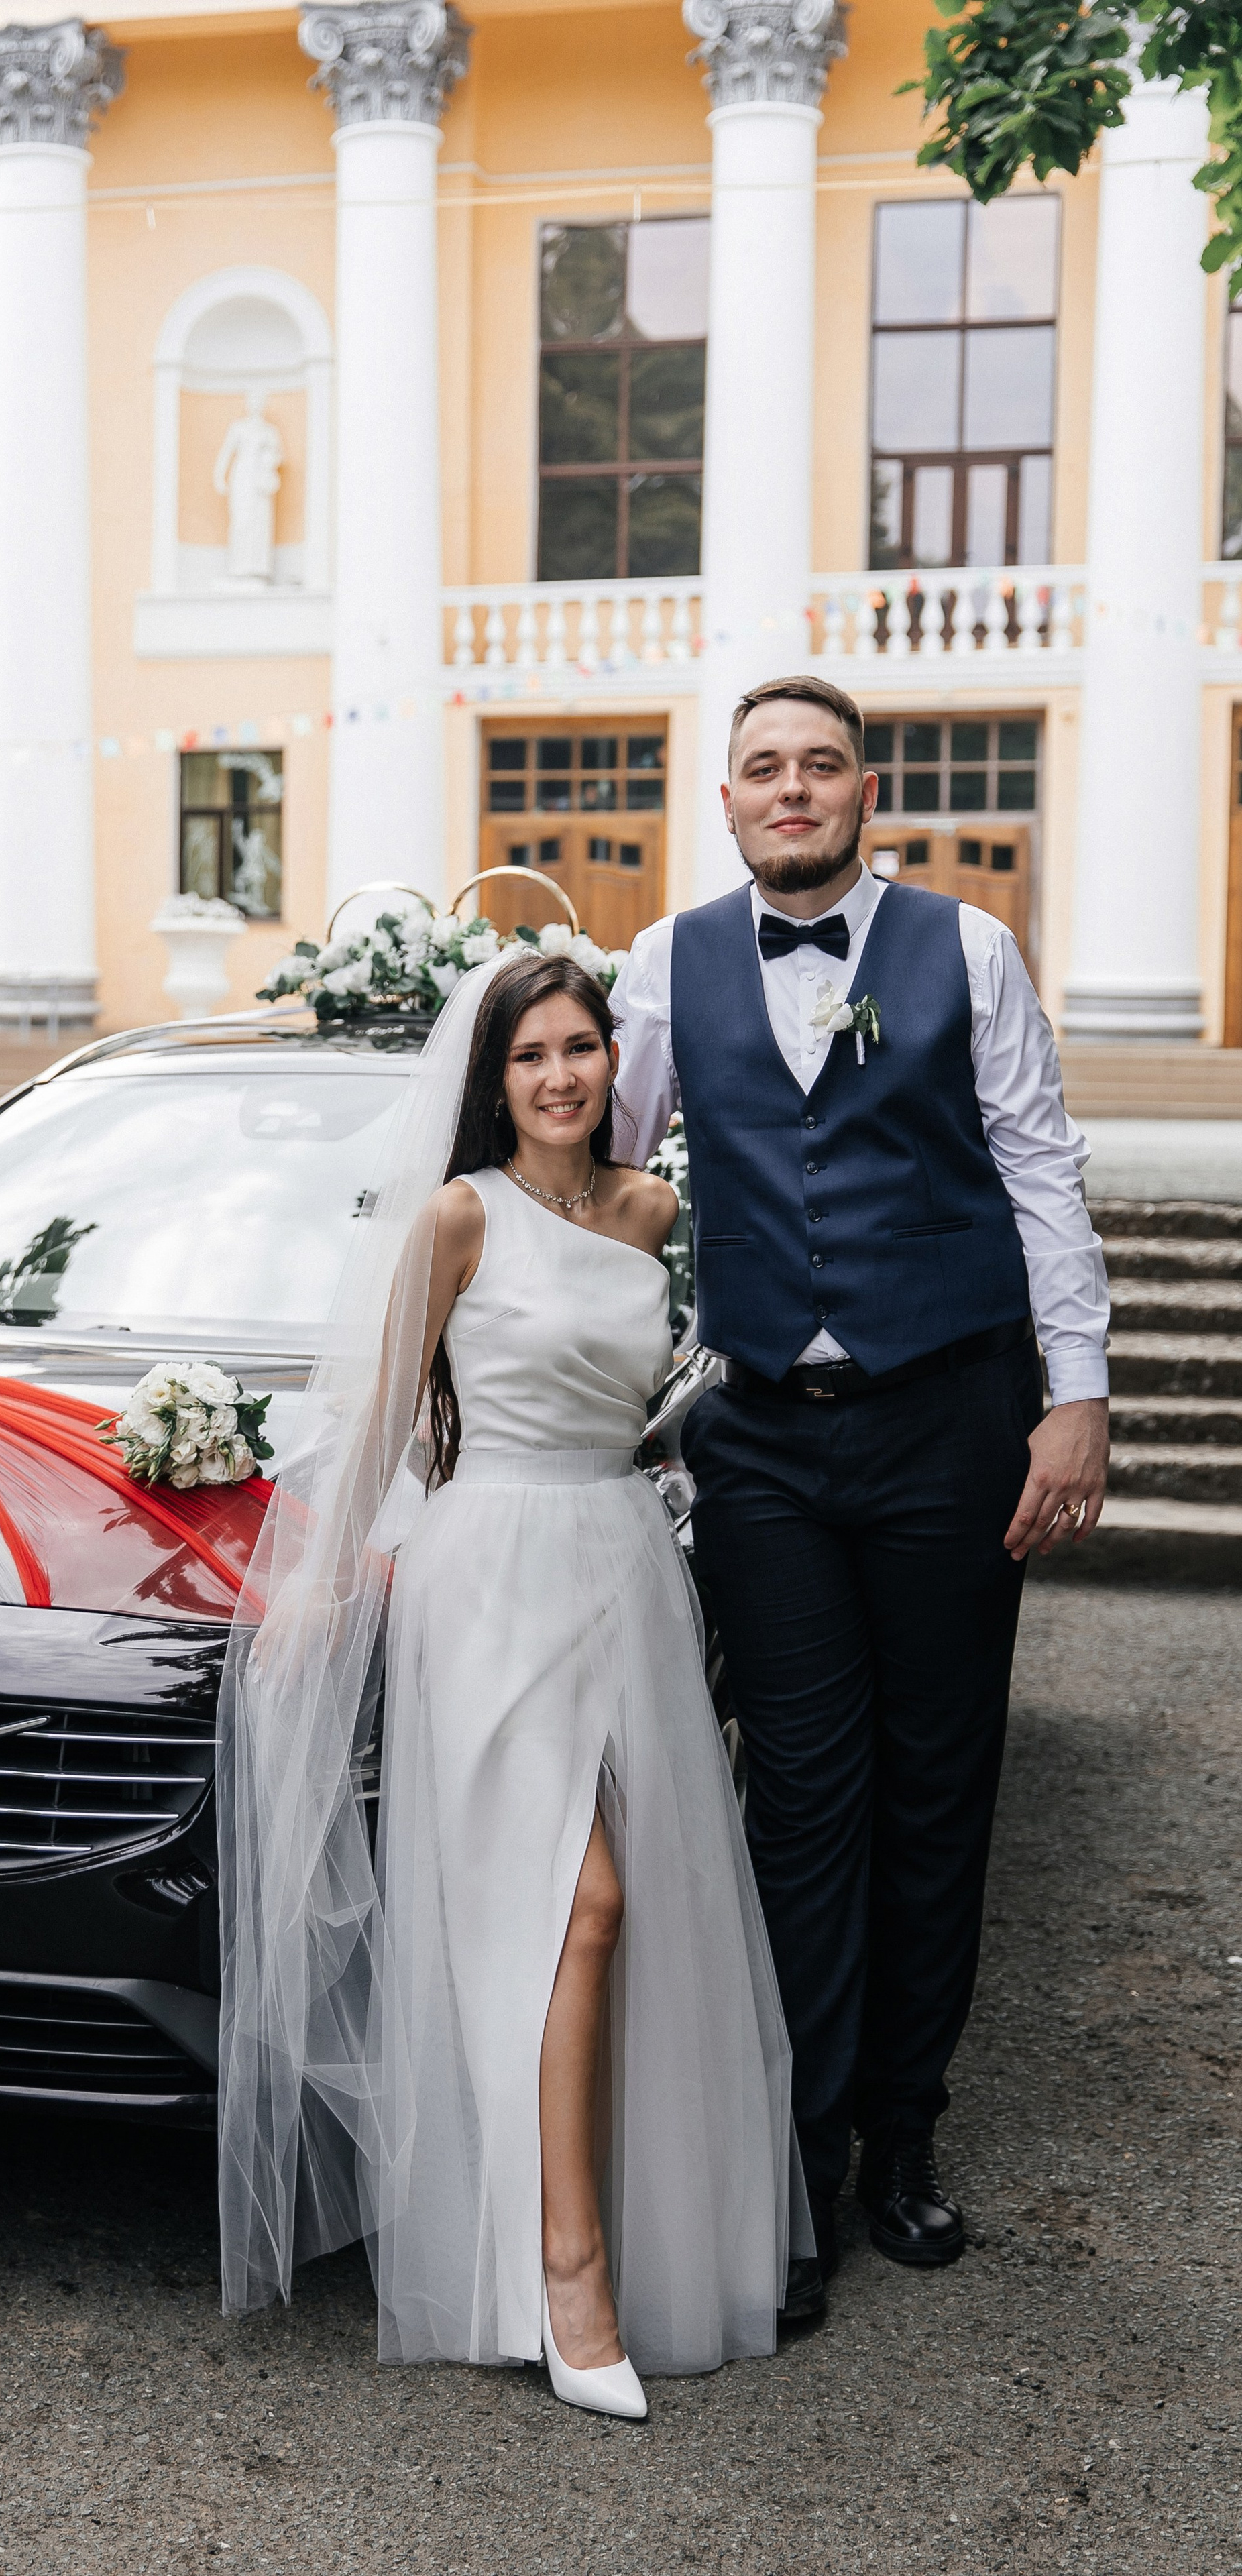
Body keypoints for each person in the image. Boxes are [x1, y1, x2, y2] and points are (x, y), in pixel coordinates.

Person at [218, 951, 812, 2415]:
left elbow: (654, 1403)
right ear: (492, 1081)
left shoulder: (652, 1213)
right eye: (529, 1055)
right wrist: (323, 1566)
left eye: (580, 1047)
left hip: (622, 1567)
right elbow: (373, 1413)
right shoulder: (455, 1218)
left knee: (634, 1912)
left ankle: (613, 2236)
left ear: (615, 1062)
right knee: (577, 1901)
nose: (558, 1076)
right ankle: (566, 2277)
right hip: (487, 1577)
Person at [610, 673, 1109, 2308]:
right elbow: (601, 1165)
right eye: (762, 767)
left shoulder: (963, 947)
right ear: (728, 800)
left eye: (818, 763)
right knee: (796, 1802)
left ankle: (904, 2133)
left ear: (862, 789)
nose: (791, 788)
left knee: (932, 1788)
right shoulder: (662, 964)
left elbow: (1039, 1168)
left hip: (952, 1418)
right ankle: (797, 2163)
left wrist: (1076, 1401)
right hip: (759, 1433)